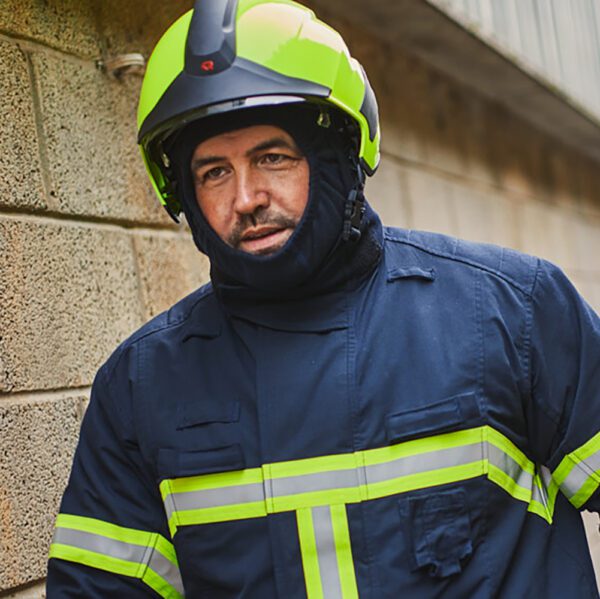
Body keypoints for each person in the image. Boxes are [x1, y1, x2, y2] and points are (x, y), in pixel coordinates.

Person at [47, 0, 600, 597]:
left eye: (273, 158)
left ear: (339, 158)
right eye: (213, 172)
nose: (247, 197)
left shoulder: (511, 312)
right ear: (181, 192)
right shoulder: (140, 387)